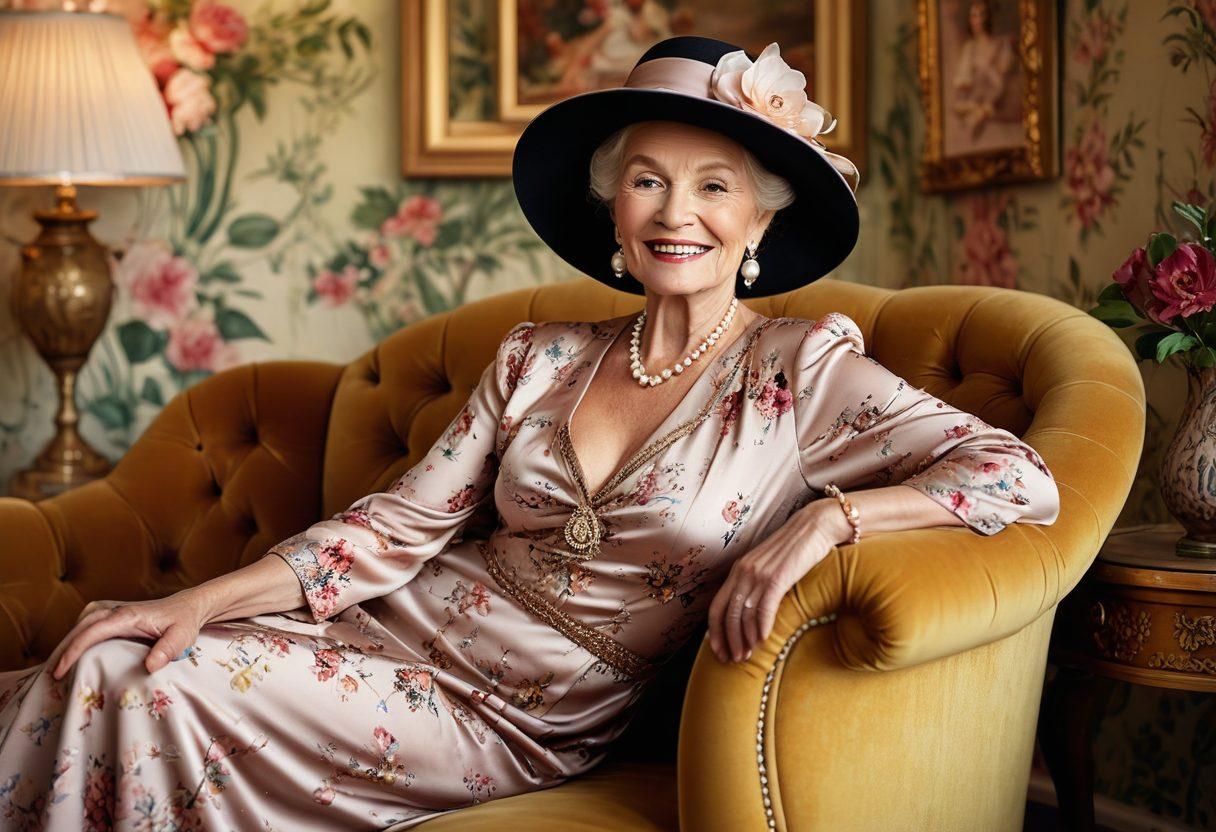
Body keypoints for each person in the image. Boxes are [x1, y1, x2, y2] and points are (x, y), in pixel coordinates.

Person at [0, 35, 1060, 830]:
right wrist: (200, 596)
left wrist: (826, 523)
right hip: (382, 636)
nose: (672, 211)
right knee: (103, 658)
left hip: (517, 714)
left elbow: (1016, 476)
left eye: (712, 185)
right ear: (613, 209)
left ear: (760, 222)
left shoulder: (801, 370)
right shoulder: (539, 355)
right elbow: (392, 529)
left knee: (136, 678)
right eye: (646, 178)